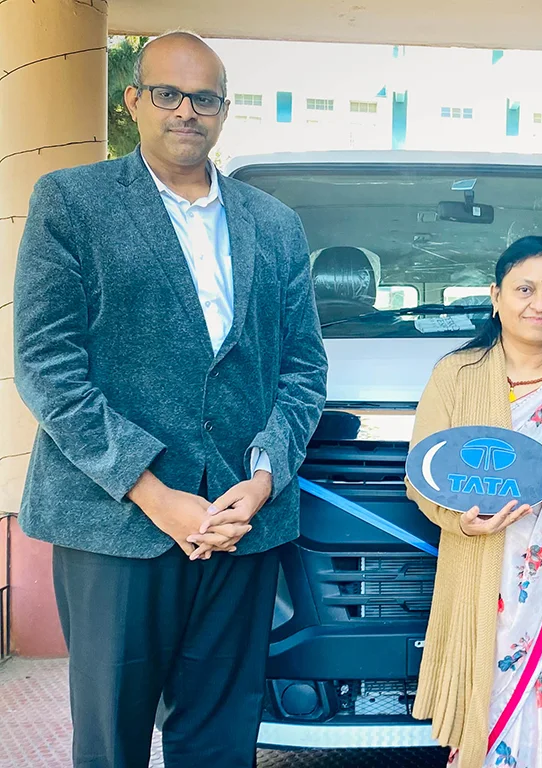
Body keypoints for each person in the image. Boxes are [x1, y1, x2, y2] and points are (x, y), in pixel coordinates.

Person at [12, 32, 328, 767]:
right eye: (168, 94)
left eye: (205, 98)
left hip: (241, 525)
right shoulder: (72, 202)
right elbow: (46, 365)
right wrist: (153, 492)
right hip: (116, 523)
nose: (188, 111)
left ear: (224, 110)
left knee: (221, 738)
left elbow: (303, 370)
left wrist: (264, 477)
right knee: (112, 743)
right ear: (134, 102)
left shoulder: (273, 225)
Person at [407, 236, 542, 768]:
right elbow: (422, 475)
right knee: (487, 687)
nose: (539, 305)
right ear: (495, 296)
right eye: (525, 289)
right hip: (484, 567)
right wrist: (462, 522)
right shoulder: (456, 375)